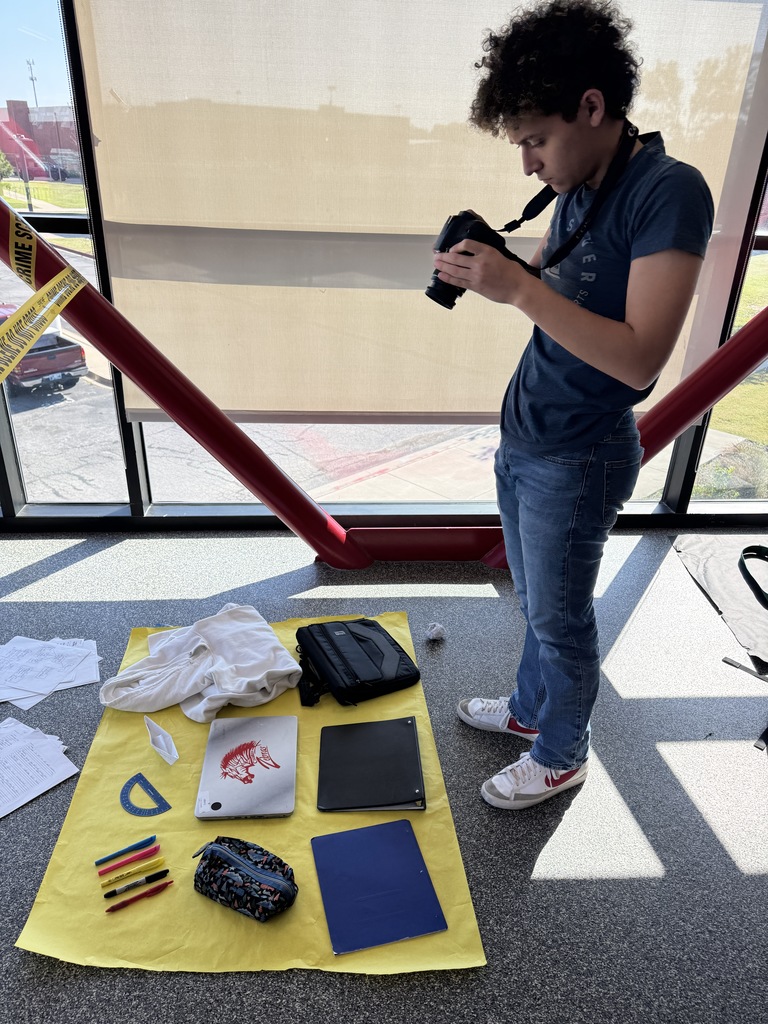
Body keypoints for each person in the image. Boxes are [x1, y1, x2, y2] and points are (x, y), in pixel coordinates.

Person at [432, 0, 714, 810]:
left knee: (561, 621)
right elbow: (572, 304)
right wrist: (505, 272)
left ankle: (561, 754)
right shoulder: (582, 182)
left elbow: (637, 358)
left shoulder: (670, 191)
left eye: (534, 139)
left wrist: (518, 287)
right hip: (528, 438)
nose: (526, 164)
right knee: (538, 603)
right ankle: (529, 713)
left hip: (579, 454)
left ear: (592, 108)